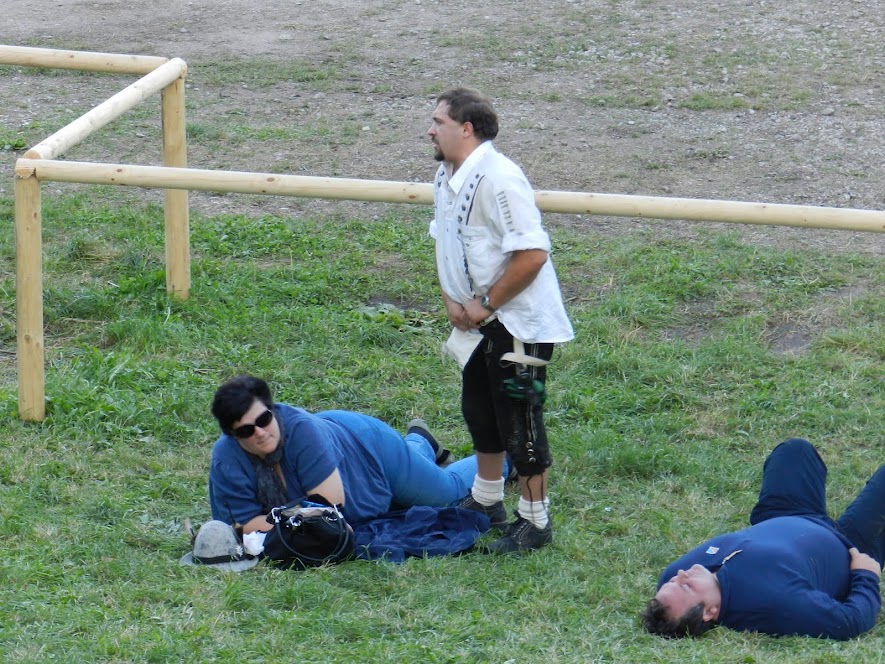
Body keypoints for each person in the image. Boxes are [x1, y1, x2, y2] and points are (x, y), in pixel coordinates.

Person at [426, 87, 574, 553]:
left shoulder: (500, 179)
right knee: (480, 412)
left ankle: (535, 522)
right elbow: (445, 240)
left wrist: (486, 304)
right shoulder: (444, 176)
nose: (430, 129)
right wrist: (453, 299)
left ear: (465, 129)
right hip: (480, 321)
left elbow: (532, 255)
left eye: (438, 122)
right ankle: (486, 500)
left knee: (520, 421)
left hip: (519, 327)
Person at [642, 438, 883, 640]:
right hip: (850, 547)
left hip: (788, 513)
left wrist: (676, 584)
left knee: (793, 452)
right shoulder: (775, 602)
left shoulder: (677, 577)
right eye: (686, 585)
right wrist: (866, 575)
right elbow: (849, 622)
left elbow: (675, 584)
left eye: (674, 581)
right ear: (709, 612)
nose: (682, 574)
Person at [208, 374, 495, 533]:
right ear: (232, 436)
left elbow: (328, 508)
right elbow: (240, 525)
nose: (259, 432)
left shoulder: (302, 432)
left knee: (449, 494)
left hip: (368, 445)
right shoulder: (226, 459)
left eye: (263, 420)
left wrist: (271, 523)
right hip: (338, 444)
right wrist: (292, 519)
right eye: (246, 431)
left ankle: (505, 458)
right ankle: (420, 444)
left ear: (274, 411)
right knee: (409, 496)